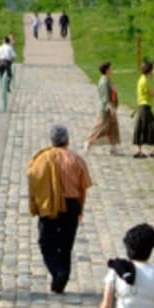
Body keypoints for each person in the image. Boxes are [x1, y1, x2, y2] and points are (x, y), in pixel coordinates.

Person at [27, 124, 93, 294]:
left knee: (46, 242)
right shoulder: (77, 160)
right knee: (66, 244)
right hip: (72, 205)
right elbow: (83, 188)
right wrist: (80, 209)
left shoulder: (43, 159)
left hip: (49, 204)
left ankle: (58, 272)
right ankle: (61, 278)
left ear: (52, 140)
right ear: (68, 140)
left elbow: (34, 179)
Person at [83, 62, 122, 155]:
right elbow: (105, 98)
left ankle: (113, 147)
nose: (112, 70)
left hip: (111, 107)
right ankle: (88, 142)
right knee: (100, 127)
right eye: (111, 68)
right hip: (106, 110)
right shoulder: (104, 81)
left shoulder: (108, 80)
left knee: (113, 128)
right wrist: (111, 109)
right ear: (106, 70)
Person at [132, 61, 154, 158]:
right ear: (149, 71)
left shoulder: (141, 79)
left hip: (143, 106)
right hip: (144, 107)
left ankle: (148, 149)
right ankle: (146, 150)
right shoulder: (144, 81)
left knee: (144, 127)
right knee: (151, 126)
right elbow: (151, 94)